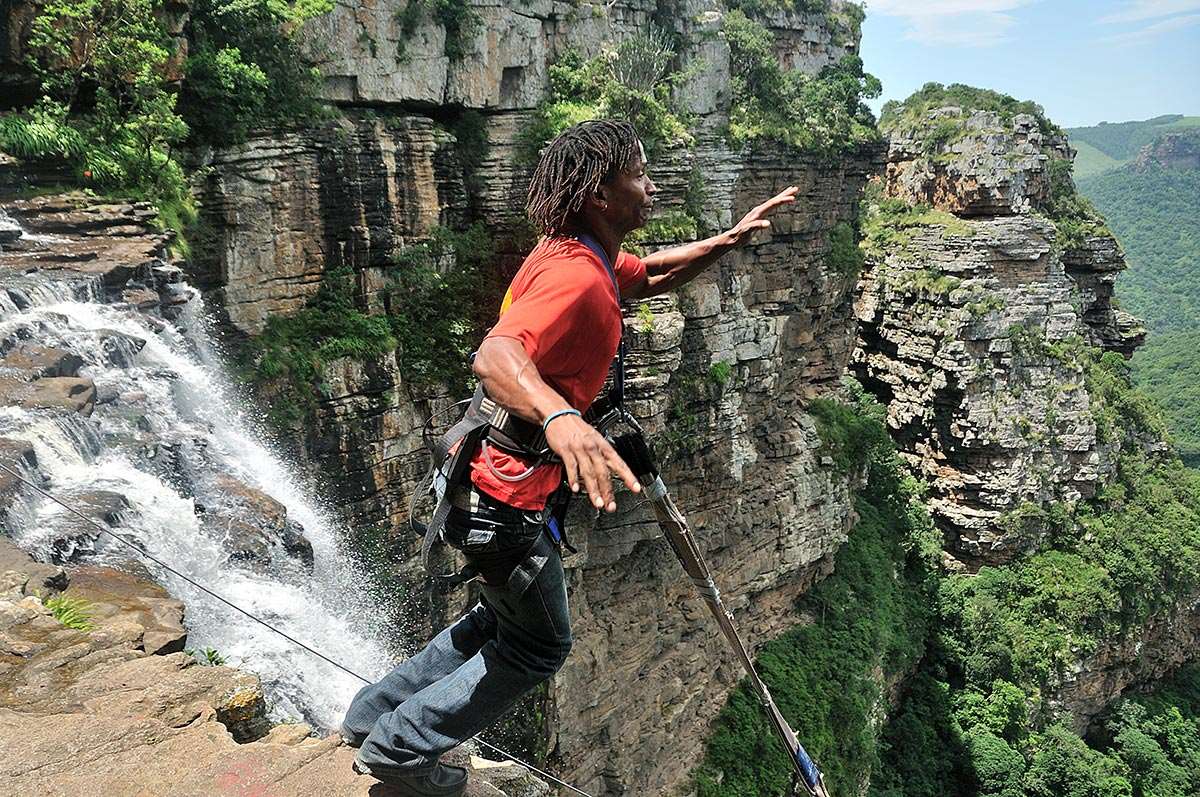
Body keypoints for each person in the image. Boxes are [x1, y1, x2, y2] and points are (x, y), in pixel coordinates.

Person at [340, 119, 798, 796]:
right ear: (599, 194)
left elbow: (649, 277)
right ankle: (401, 748)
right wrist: (557, 415)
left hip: (476, 482)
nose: (651, 184)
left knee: (501, 619)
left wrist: (727, 240)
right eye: (637, 173)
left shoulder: (576, 252)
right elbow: (496, 354)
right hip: (506, 504)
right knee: (539, 644)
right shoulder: (577, 281)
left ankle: (372, 714)